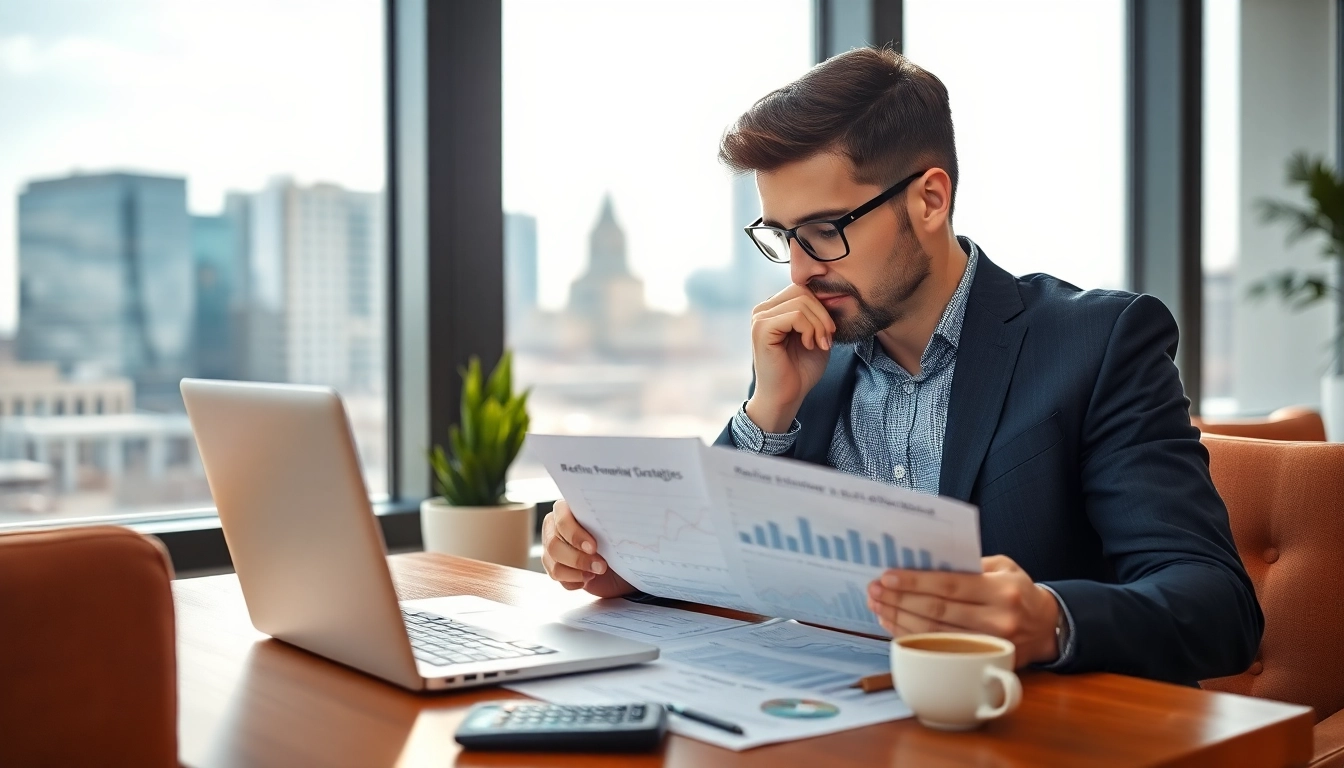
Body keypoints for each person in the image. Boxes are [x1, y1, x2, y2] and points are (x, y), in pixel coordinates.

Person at [540, 47, 1262, 686]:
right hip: (830, 726)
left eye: (825, 230)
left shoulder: (1098, 344)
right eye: (783, 235)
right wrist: (626, 551)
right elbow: (719, 569)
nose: (799, 270)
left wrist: (1049, 618)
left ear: (929, 199)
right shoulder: (803, 362)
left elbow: (1218, 607)